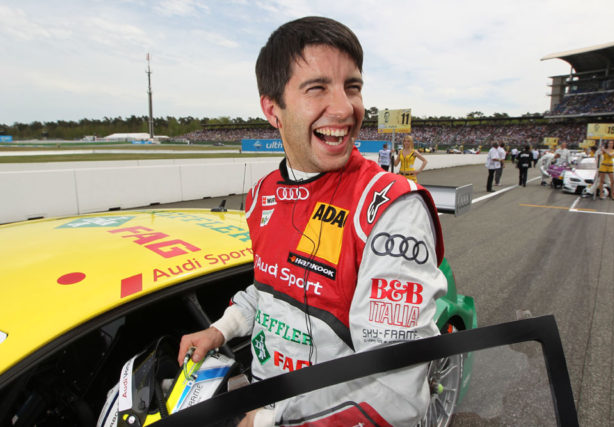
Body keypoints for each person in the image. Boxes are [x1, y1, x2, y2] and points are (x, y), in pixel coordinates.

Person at [177, 17, 447, 427]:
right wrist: (221, 329)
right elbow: (271, 288)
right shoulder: (263, 194)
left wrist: (266, 421)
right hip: (265, 396)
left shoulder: (388, 207)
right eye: (317, 88)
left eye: (352, 87)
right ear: (273, 109)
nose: (344, 109)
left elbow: (396, 394)